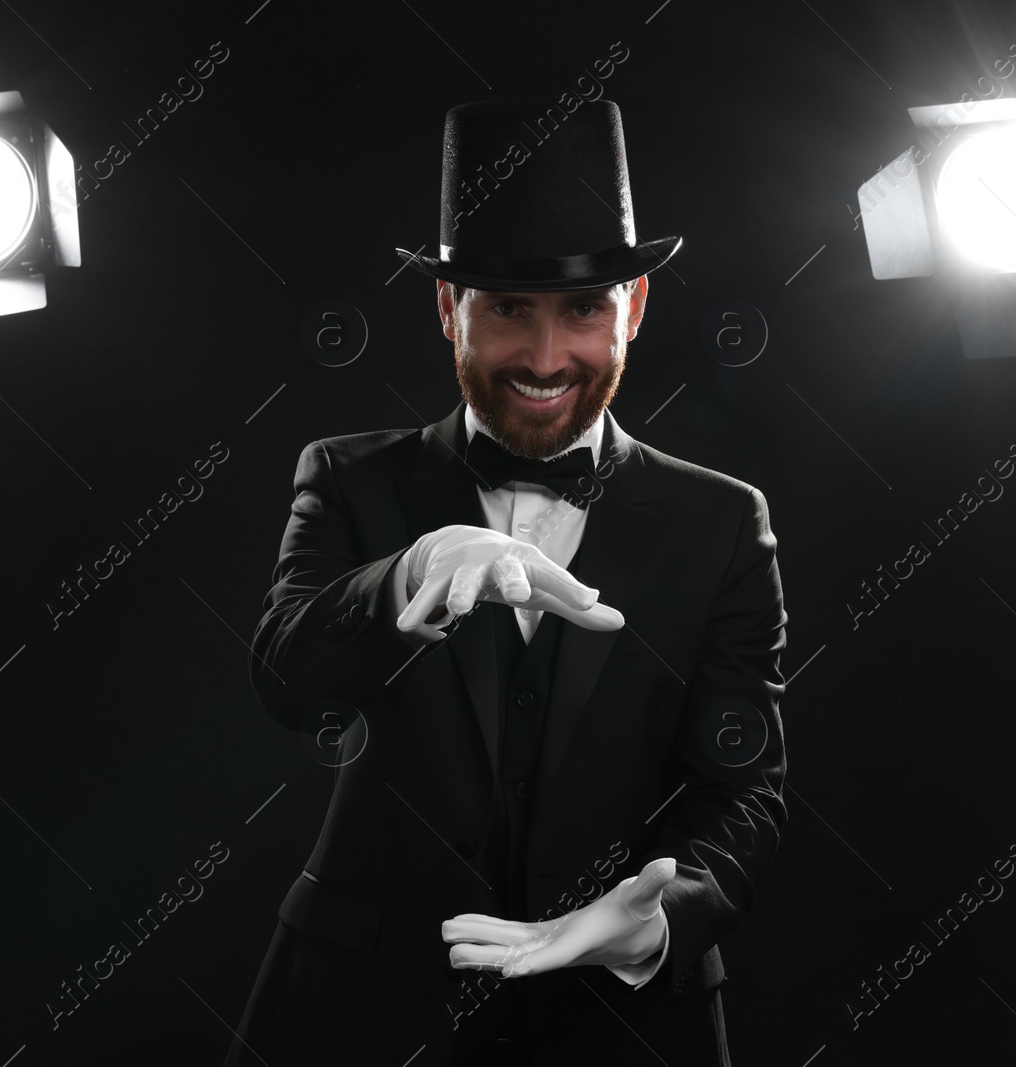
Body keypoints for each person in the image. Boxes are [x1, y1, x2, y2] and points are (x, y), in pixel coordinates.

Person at [224, 98, 787, 1067]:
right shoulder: (349, 477)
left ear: (635, 308)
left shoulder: (723, 520)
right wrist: (406, 571)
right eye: (505, 310)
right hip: (364, 1010)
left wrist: (651, 920)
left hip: (624, 1024)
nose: (542, 357)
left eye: (583, 310)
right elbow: (287, 676)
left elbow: (744, 788)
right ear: (449, 309)